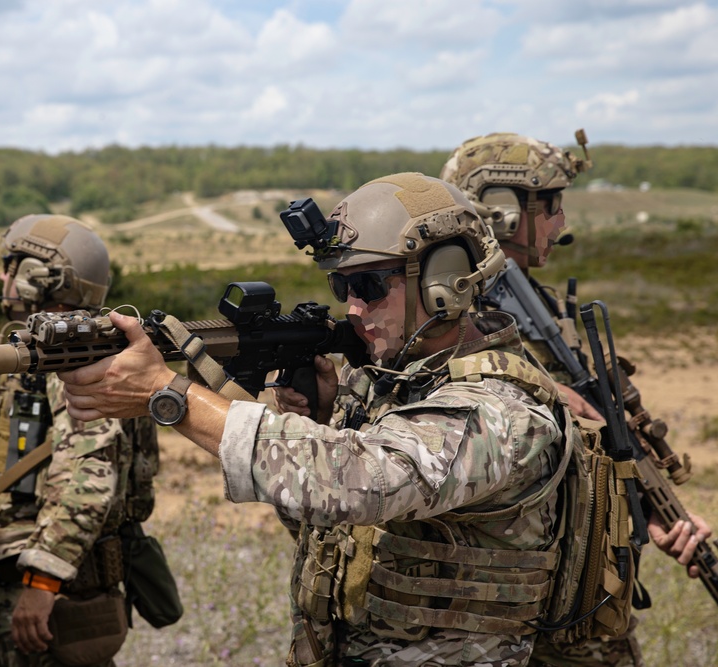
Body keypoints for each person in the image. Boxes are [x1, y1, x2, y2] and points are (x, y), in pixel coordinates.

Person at [59, 172, 583, 665]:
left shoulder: (504, 407)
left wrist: (170, 395)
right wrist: (328, 419)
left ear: (445, 279)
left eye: (370, 286)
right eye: (343, 288)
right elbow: (330, 527)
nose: (353, 309)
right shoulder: (395, 384)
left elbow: (361, 483)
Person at [439, 132, 713, 666]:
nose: (562, 221)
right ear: (502, 212)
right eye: (552, 205)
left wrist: (647, 512)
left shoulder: (530, 298)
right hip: (512, 606)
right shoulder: (453, 313)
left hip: (576, 598)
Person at [0, 214, 161, 667]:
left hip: (48, 588)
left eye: (11, 265)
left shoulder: (72, 354)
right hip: (8, 574)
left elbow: (90, 480)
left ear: (36, 278)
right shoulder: (28, 347)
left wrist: (42, 583)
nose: (3, 277)